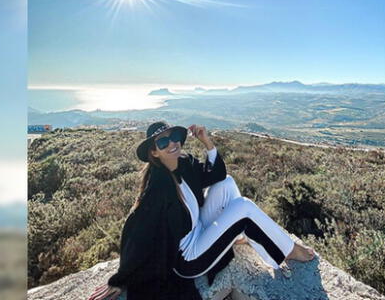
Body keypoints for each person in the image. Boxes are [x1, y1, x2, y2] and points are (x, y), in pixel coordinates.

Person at [88, 121, 315, 300]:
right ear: (154, 152)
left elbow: (214, 175)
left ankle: (235, 236)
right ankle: (289, 250)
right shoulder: (156, 190)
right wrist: (120, 279)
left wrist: (208, 143)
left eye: (175, 137)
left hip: (198, 227)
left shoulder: (183, 163)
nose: (172, 143)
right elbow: (136, 234)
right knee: (243, 207)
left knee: (226, 183)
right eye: (163, 142)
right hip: (188, 258)